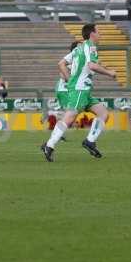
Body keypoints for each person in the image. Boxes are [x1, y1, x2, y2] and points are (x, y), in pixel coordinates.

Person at [41, 24, 116, 162]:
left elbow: (61, 63)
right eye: (99, 32)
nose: (101, 35)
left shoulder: (78, 49)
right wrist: (109, 73)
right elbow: (92, 65)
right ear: (92, 34)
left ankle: (90, 141)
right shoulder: (90, 46)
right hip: (80, 89)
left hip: (84, 91)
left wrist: (70, 81)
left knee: (103, 114)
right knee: (69, 118)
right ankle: (49, 145)